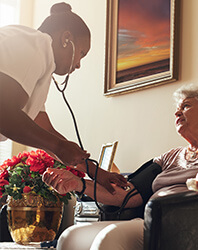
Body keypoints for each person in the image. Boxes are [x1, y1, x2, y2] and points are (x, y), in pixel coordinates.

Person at [42, 84, 198, 250]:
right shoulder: (170, 157)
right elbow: (128, 195)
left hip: (195, 222)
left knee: (110, 239)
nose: (177, 113)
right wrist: (78, 183)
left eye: (186, 106)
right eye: (177, 109)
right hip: (152, 219)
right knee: (70, 237)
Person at [0, 2, 126, 193]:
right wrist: (58, 146)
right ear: (66, 39)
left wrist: (97, 172)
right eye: (81, 54)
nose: (78, 65)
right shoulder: (35, 44)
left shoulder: (39, 63)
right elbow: (5, 114)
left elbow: (46, 131)